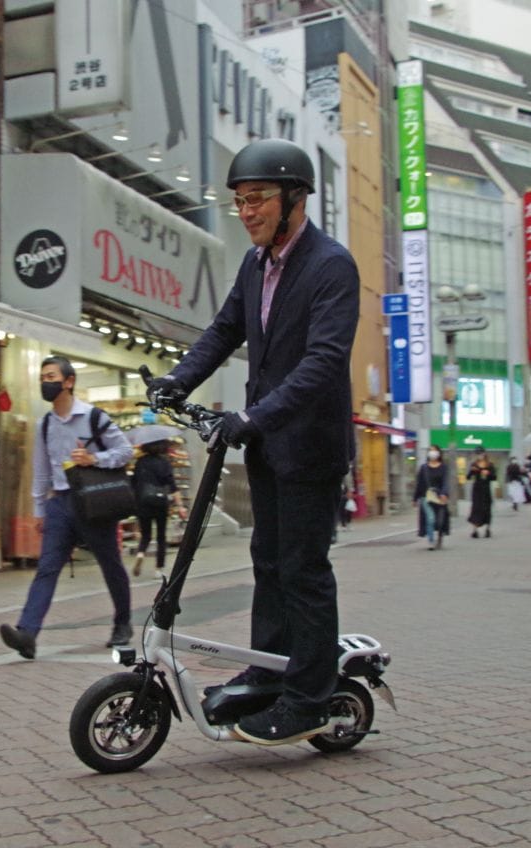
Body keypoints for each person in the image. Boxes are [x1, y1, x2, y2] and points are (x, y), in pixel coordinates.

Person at [146, 138, 359, 746]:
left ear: (295, 199)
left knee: (303, 570)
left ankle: (310, 698)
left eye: (258, 199)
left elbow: (322, 364)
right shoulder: (255, 264)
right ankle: (271, 671)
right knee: (268, 563)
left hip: (309, 447)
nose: (248, 211)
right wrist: (176, 380)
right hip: (267, 443)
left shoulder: (331, 265)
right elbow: (223, 331)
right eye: (240, 201)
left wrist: (252, 417)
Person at [0, 356, 136, 659]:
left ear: (69, 381)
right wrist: (39, 510)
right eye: (42, 378)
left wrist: (94, 459)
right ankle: (27, 634)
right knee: (46, 568)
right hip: (59, 503)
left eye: (51, 376)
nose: (45, 382)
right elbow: (41, 469)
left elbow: (125, 450)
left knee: (110, 564)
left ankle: (123, 622)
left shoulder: (94, 417)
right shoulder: (45, 423)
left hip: (92, 502)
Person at [130, 440, 186, 578]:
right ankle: (159, 569)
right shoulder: (164, 463)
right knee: (161, 536)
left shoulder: (140, 462)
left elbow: (133, 485)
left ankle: (140, 553)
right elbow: (172, 486)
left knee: (146, 535)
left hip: (143, 502)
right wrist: (180, 506)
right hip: (160, 502)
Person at [414, 445, 450, 549]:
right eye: (430, 451)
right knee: (430, 518)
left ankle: (439, 536)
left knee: (440, 520)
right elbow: (419, 483)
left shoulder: (443, 467)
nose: (432, 453)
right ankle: (431, 541)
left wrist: (444, 493)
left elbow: (445, 482)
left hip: (439, 497)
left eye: (435, 451)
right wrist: (415, 498)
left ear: (439, 453)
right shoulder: (424, 468)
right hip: (426, 497)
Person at [466, 448, 496, 538]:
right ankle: (475, 530)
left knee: (487, 508)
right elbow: (468, 477)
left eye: (480, 453)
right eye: (477, 454)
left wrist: (488, 473)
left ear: (484, 454)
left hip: (486, 489)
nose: (479, 456)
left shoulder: (490, 465)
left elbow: (494, 477)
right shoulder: (474, 465)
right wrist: (472, 471)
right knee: (476, 509)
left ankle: (488, 529)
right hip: (477, 489)